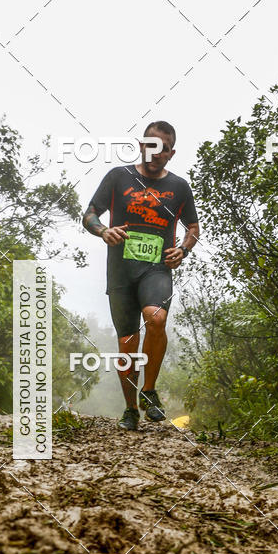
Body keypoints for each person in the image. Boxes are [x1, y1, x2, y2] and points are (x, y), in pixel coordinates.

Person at [82, 121, 199, 430]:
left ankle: (149, 391)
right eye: (150, 145)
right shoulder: (119, 177)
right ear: (141, 144)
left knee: (156, 318)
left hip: (156, 269)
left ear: (171, 153)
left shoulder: (179, 187)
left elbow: (193, 228)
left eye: (161, 148)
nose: (154, 153)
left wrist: (183, 250)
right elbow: (89, 214)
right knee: (128, 342)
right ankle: (131, 409)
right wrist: (104, 230)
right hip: (120, 270)